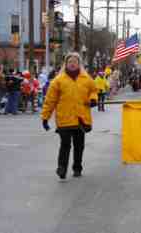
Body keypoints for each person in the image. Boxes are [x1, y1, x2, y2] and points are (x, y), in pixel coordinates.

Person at [41, 52, 98, 181]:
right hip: (64, 119)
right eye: (70, 62)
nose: (72, 64)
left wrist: (93, 99)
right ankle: (62, 168)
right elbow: (50, 101)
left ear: (79, 64)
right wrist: (45, 118)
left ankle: (77, 167)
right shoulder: (58, 80)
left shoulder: (86, 79)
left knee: (79, 145)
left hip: (81, 119)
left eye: (75, 61)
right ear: (66, 64)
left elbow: (94, 90)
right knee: (65, 144)